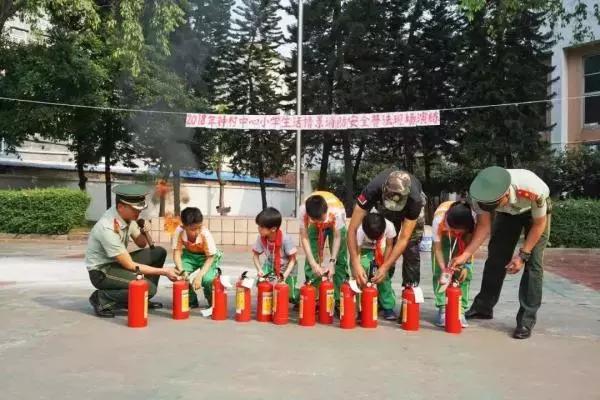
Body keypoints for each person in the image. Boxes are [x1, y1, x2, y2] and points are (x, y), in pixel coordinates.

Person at [449, 166, 551, 339]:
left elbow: (539, 225)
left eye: (493, 205)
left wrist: (522, 255)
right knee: (496, 257)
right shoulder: (479, 194)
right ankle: (483, 307)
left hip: (535, 215)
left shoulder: (532, 189)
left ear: (505, 194)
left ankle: (526, 320)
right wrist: (465, 255)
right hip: (507, 214)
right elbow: (483, 226)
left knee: (533, 265)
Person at [86, 184, 178, 318]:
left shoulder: (128, 217)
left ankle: (141, 297)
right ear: (120, 207)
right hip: (102, 271)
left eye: (140, 209)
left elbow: (141, 243)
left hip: (117, 263)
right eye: (135, 209)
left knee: (158, 252)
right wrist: (165, 271)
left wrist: (144, 231)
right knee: (149, 288)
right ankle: (102, 298)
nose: (138, 212)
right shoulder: (107, 227)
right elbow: (129, 265)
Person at [348, 169, 424, 288]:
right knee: (388, 241)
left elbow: (404, 238)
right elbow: (352, 229)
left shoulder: (415, 201)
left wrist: (385, 267)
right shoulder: (372, 190)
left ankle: (410, 289)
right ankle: (383, 282)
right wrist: (356, 263)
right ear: (383, 189)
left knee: (411, 246)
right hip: (385, 207)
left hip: (409, 207)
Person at [431, 201, 476, 328]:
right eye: (454, 230)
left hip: (464, 239)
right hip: (443, 238)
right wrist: (443, 269)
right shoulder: (438, 219)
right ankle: (442, 308)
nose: (456, 233)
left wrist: (466, 264)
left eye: (459, 231)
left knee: (463, 274)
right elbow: (437, 249)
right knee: (440, 274)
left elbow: (470, 245)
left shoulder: (472, 220)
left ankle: (460, 309)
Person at [299, 191, 349, 302]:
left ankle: (338, 299)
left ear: (326, 211)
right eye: (316, 220)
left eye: (322, 219)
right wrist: (313, 263)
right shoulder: (303, 210)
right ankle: (312, 296)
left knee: (340, 259)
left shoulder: (337, 211)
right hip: (313, 226)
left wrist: (332, 262)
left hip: (335, 225)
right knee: (311, 255)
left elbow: (337, 237)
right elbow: (304, 237)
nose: (321, 222)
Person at [172, 207, 223, 308]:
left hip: (207, 257)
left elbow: (210, 257)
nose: (197, 231)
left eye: (199, 227)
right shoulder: (179, 231)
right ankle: (191, 300)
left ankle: (212, 302)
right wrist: (182, 271)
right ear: (184, 226)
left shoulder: (205, 233)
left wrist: (199, 277)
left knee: (207, 279)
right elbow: (176, 253)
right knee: (179, 276)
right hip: (190, 255)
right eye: (193, 229)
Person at [352, 212, 398, 320]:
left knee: (383, 277)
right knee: (362, 274)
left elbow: (389, 246)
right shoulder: (360, 230)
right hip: (364, 250)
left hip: (381, 249)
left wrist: (384, 266)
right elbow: (357, 253)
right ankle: (363, 306)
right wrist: (358, 269)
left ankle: (387, 306)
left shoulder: (389, 226)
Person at [252, 207, 299, 303]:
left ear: (273, 229)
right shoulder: (261, 238)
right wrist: (260, 270)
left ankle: (302, 299)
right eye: (258, 226)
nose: (259, 229)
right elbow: (255, 255)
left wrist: (284, 276)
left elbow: (293, 260)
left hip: (287, 267)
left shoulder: (286, 239)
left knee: (289, 295)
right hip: (271, 264)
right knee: (261, 282)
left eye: (261, 227)